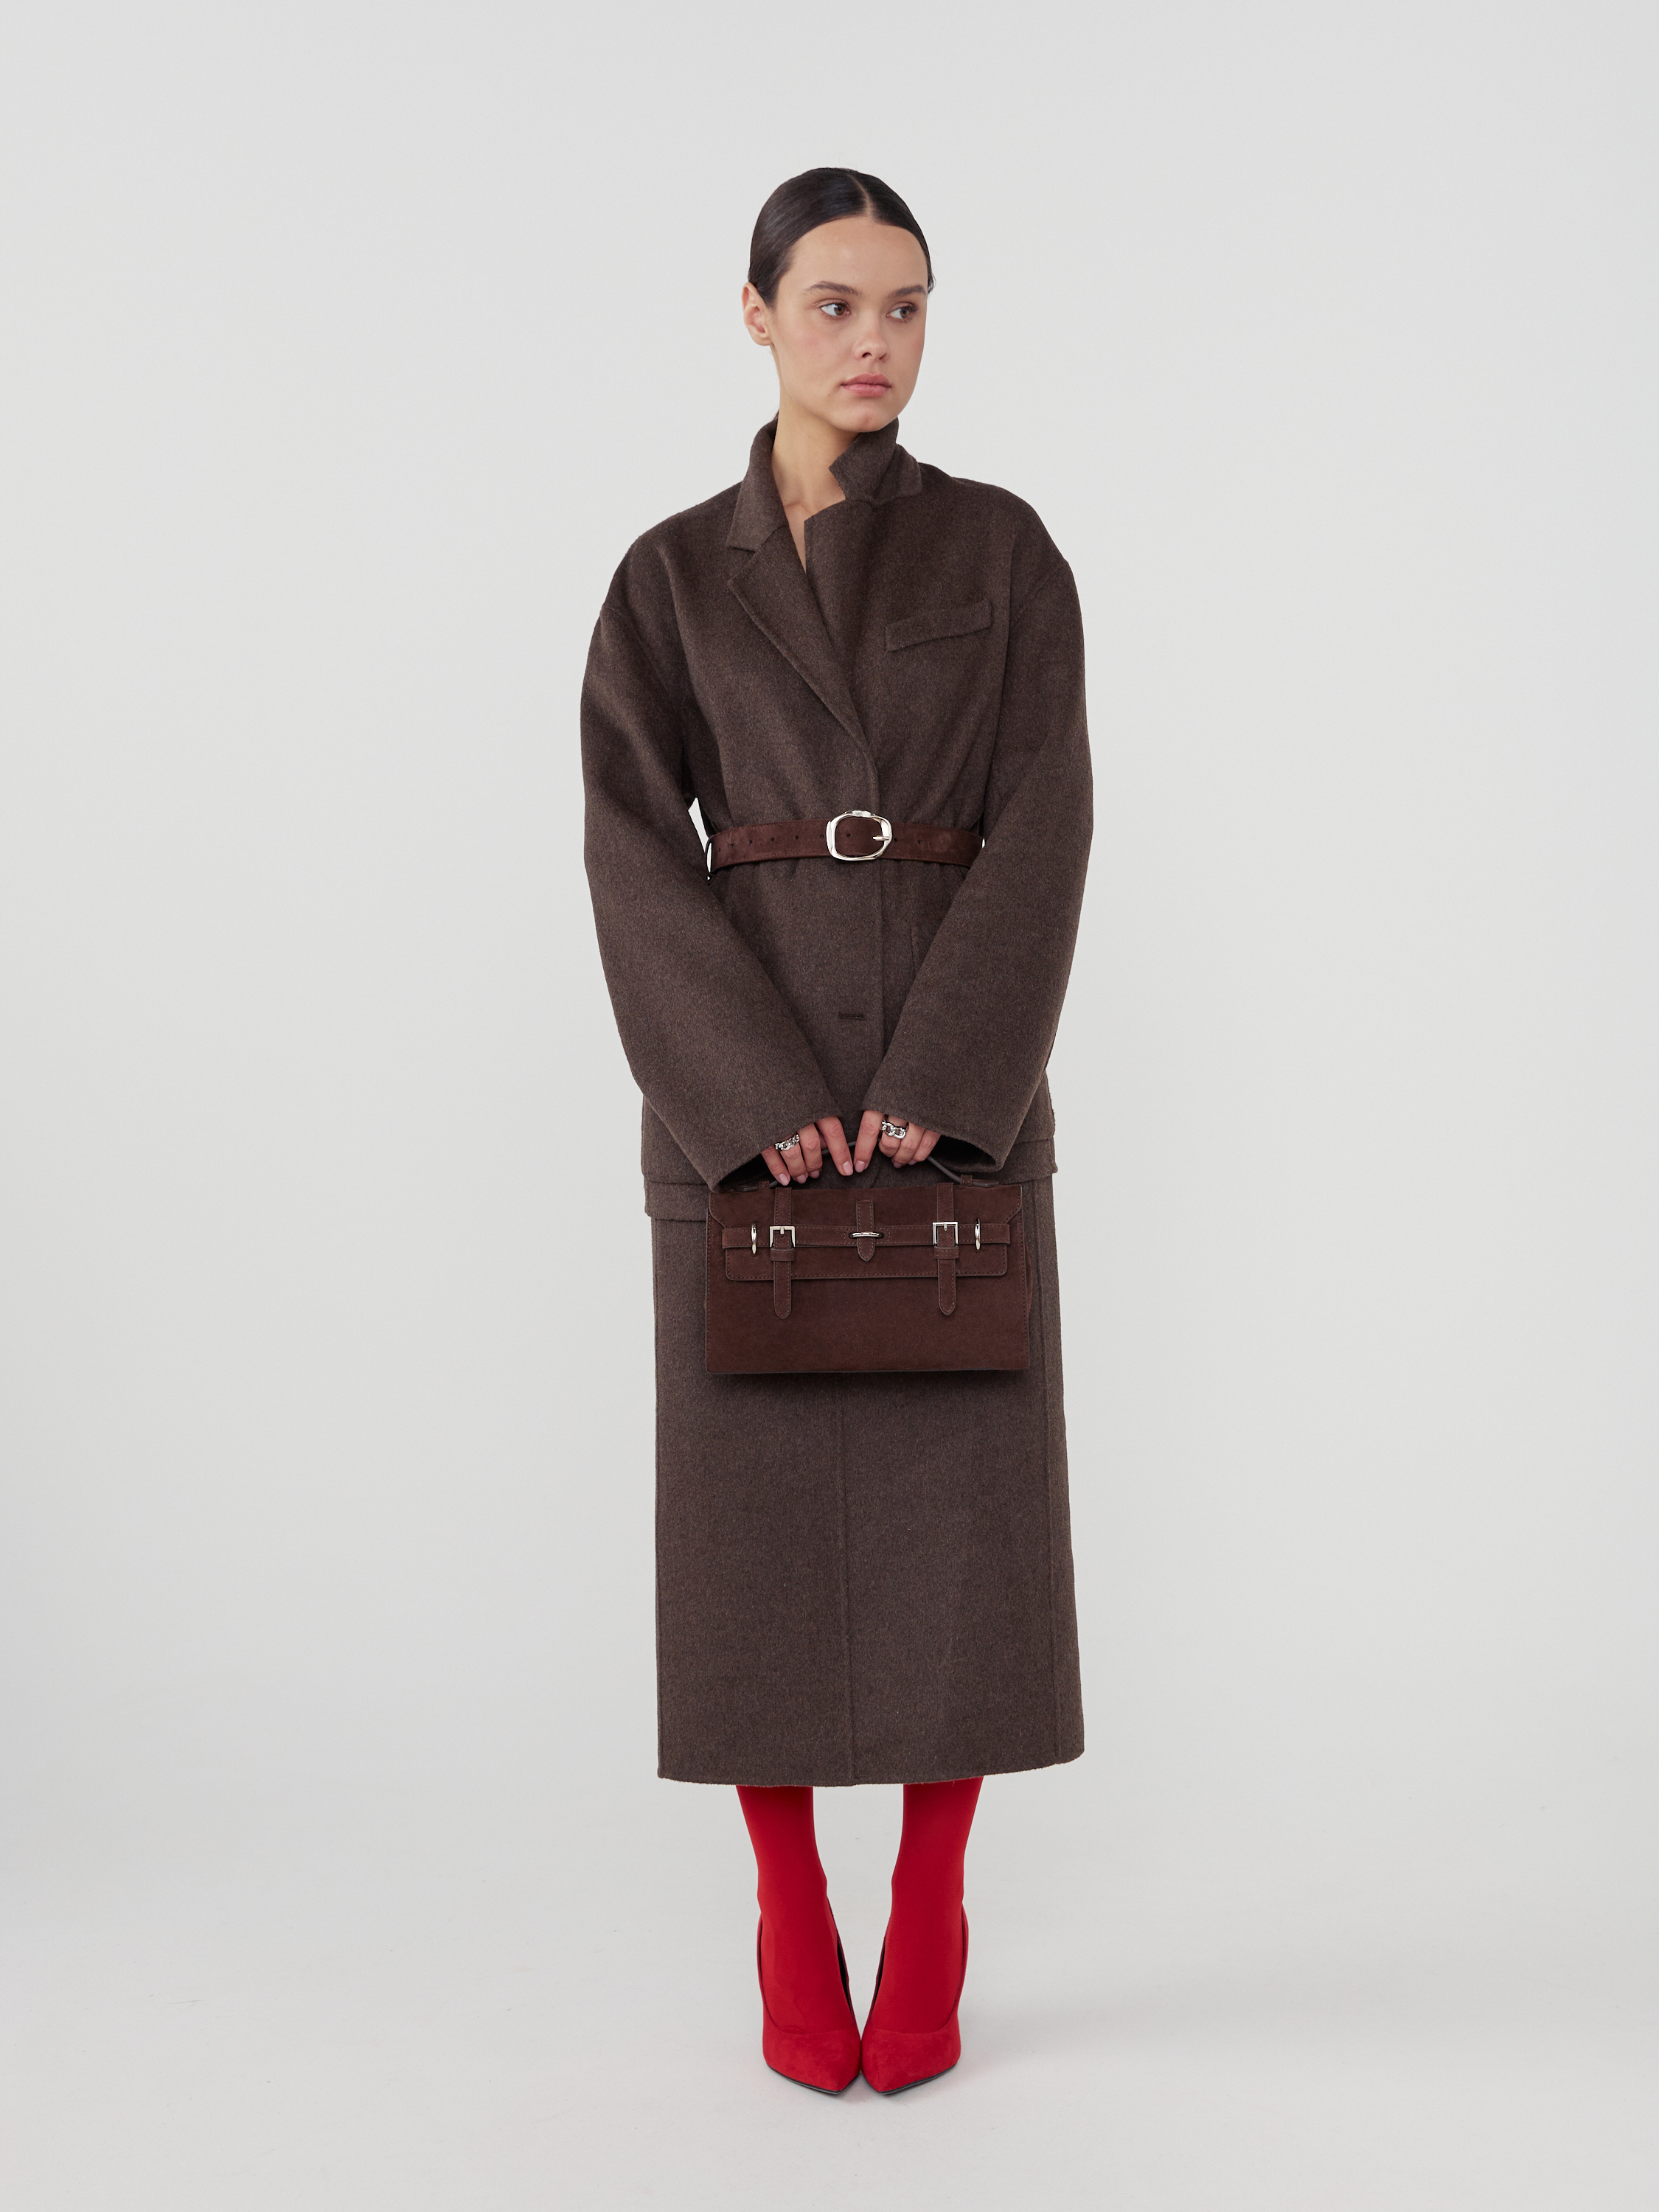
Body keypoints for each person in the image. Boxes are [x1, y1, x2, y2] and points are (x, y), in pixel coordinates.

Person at [582, 168, 1092, 2096]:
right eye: (833, 304)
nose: (873, 342)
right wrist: (750, 1097)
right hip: (745, 1104)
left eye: (906, 306)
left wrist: (948, 1083)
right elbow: (629, 842)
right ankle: (789, 1897)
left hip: (959, 1089)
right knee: (756, 1533)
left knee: (968, 1518)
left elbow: (1049, 815)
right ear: (755, 314)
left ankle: (934, 1895)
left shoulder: (1003, 549)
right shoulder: (666, 578)